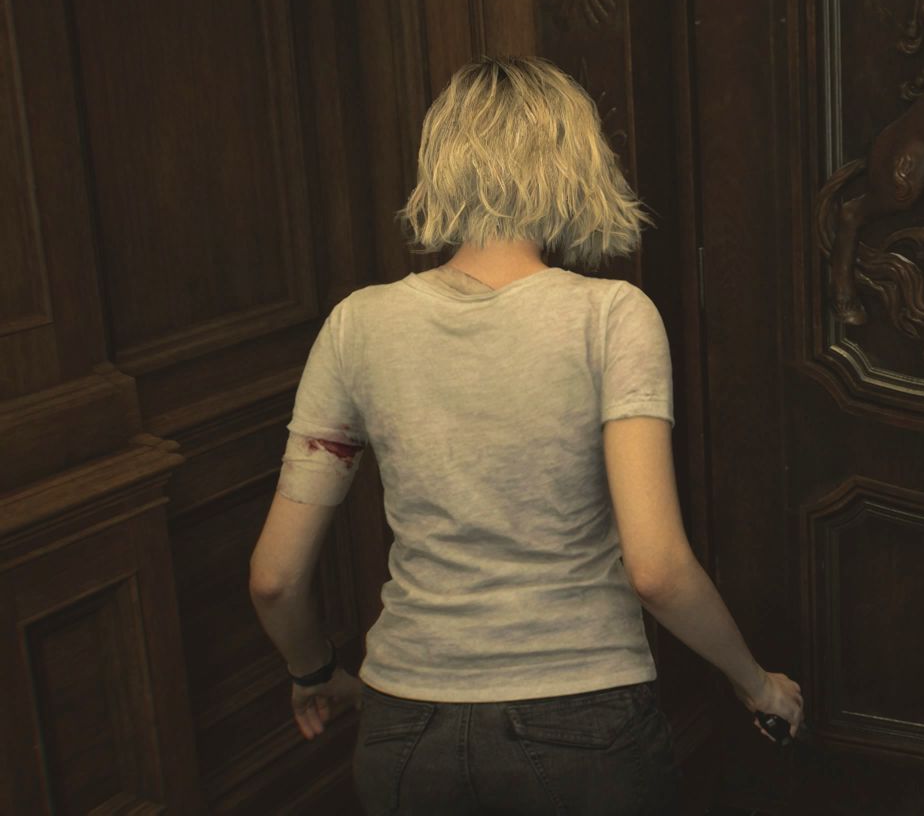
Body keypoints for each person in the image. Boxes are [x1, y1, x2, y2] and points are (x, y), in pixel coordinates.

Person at [247, 55, 801, 814]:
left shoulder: (357, 325)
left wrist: (313, 673)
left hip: (406, 729)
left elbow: (274, 578)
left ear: (442, 162)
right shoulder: (611, 317)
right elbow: (657, 570)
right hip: (583, 722)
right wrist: (756, 684)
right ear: (576, 164)